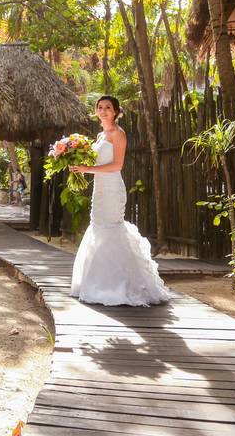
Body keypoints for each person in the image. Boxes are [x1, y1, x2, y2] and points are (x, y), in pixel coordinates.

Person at [68, 96, 170, 306]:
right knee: (98, 227)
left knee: (111, 228)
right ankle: (98, 283)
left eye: (108, 107)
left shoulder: (118, 134)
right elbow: (95, 161)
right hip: (99, 189)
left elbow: (116, 165)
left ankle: (120, 286)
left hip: (113, 187)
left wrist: (88, 170)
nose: (103, 110)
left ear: (115, 111)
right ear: (96, 111)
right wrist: (77, 164)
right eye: (100, 107)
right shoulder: (99, 136)